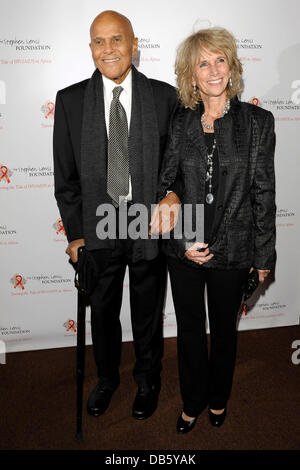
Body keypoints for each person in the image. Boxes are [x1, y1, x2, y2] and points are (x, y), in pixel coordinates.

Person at [53, 10, 179, 421]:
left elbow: (176, 165)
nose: (108, 49)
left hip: (146, 223)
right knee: (103, 312)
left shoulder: (164, 97)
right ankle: (106, 379)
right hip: (97, 224)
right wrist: (75, 235)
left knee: (147, 311)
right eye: (99, 41)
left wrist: (173, 194)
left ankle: (148, 380)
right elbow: (66, 178)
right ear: (91, 47)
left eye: (117, 39)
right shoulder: (70, 101)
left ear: (134, 43)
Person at [150, 27, 276, 433]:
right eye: (203, 63)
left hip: (235, 249)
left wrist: (263, 256)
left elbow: (263, 193)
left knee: (224, 333)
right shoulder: (181, 119)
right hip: (185, 250)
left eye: (220, 59)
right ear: (191, 76)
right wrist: (184, 238)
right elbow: (165, 183)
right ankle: (193, 401)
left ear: (233, 66)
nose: (213, 69)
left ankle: (218, 399)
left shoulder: (257, 122)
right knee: (189, 332)